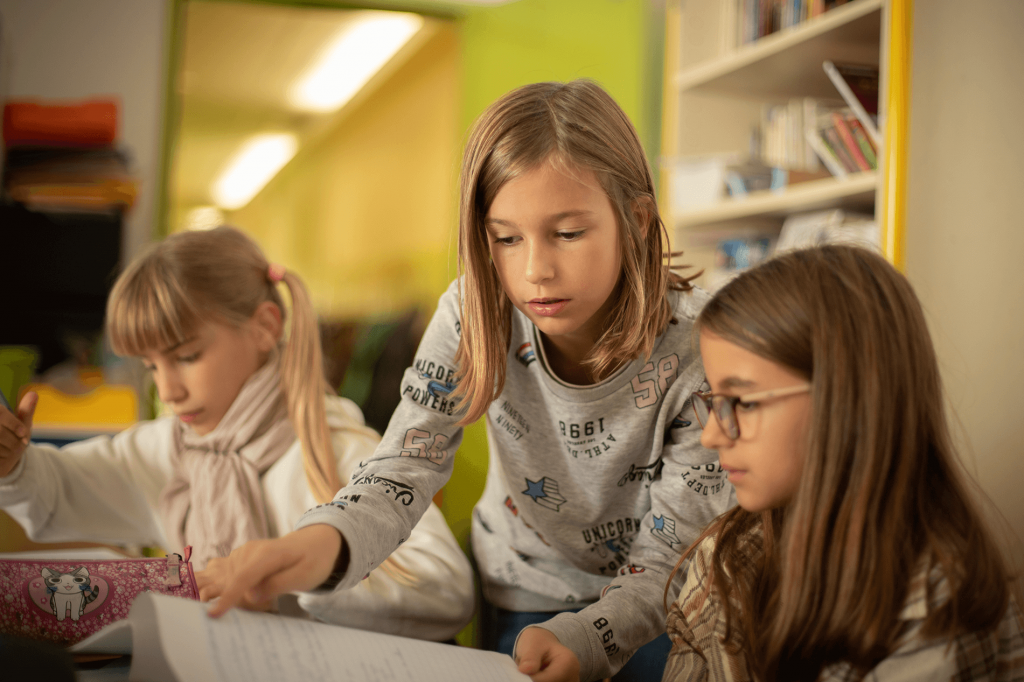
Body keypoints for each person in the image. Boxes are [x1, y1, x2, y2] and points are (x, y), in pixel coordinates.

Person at [199, 80, 735, 682]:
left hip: (663, 603)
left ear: (636, 220)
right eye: (505, 238)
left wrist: (591, 634)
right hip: (522, 587)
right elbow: (404, 466)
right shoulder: (471, 312)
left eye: (568, 233)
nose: (535, 269)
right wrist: (313, 546)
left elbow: (674, 548)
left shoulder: (703, 344)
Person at [0, 226, 474, 641]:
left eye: (186, 357)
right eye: (150, 367)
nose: (168, 390)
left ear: (265, 328)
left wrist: (306, 571)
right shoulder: (170, 447)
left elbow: (445, 592)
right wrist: (14, 466)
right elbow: (57, 489)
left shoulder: (337, 450)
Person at [661, 245, 1024, 682]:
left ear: (847, 401)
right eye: (715, 402)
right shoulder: (727, 553)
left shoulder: (934, 604)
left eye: (742, 402)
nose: (711, 435)